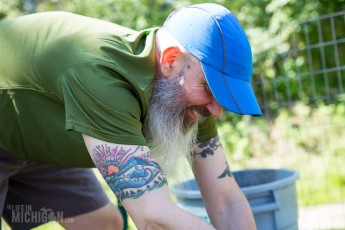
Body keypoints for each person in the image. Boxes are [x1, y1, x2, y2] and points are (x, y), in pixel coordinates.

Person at [0, 3, 261, 230]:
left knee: (102, 224)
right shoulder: (103, 79)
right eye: (211, 88)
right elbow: (154, 218)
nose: (216, 110)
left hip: (34, 132)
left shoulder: (187, 98)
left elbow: (226, 201)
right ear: (171, 60)